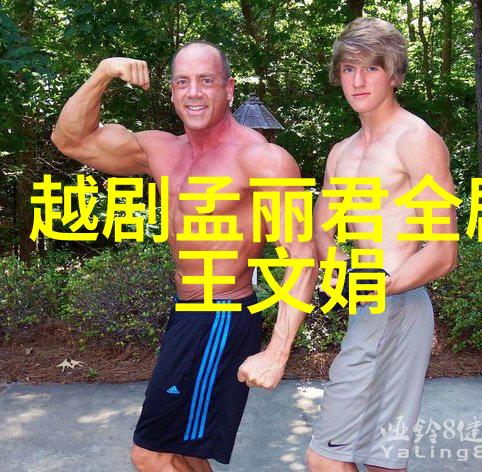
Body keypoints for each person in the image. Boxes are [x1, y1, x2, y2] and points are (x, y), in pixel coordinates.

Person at [51, 41, 317, 472]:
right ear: (172, 92)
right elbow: (71, 139)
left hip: (222, 315)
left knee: (150, 454)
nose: (194, 92)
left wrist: (277, 351)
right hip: (187, 312)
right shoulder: (161, 150)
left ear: (229, 89)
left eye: (206, 81)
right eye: (183, 82)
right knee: (184, 453)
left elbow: (303, 257)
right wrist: (103, 72)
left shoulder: (260, 158)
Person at [306, 18, 458, 472]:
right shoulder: (342, 152)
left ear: (394, 75)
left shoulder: (417, 140)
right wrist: (339, 266)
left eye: (371, 68)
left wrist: (375, 284)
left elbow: (442, 251)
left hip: (397, 303)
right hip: (370, 302)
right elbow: (322, 230)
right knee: (380, 460)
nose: (358, 81)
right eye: (348, 68)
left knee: (325, 458)